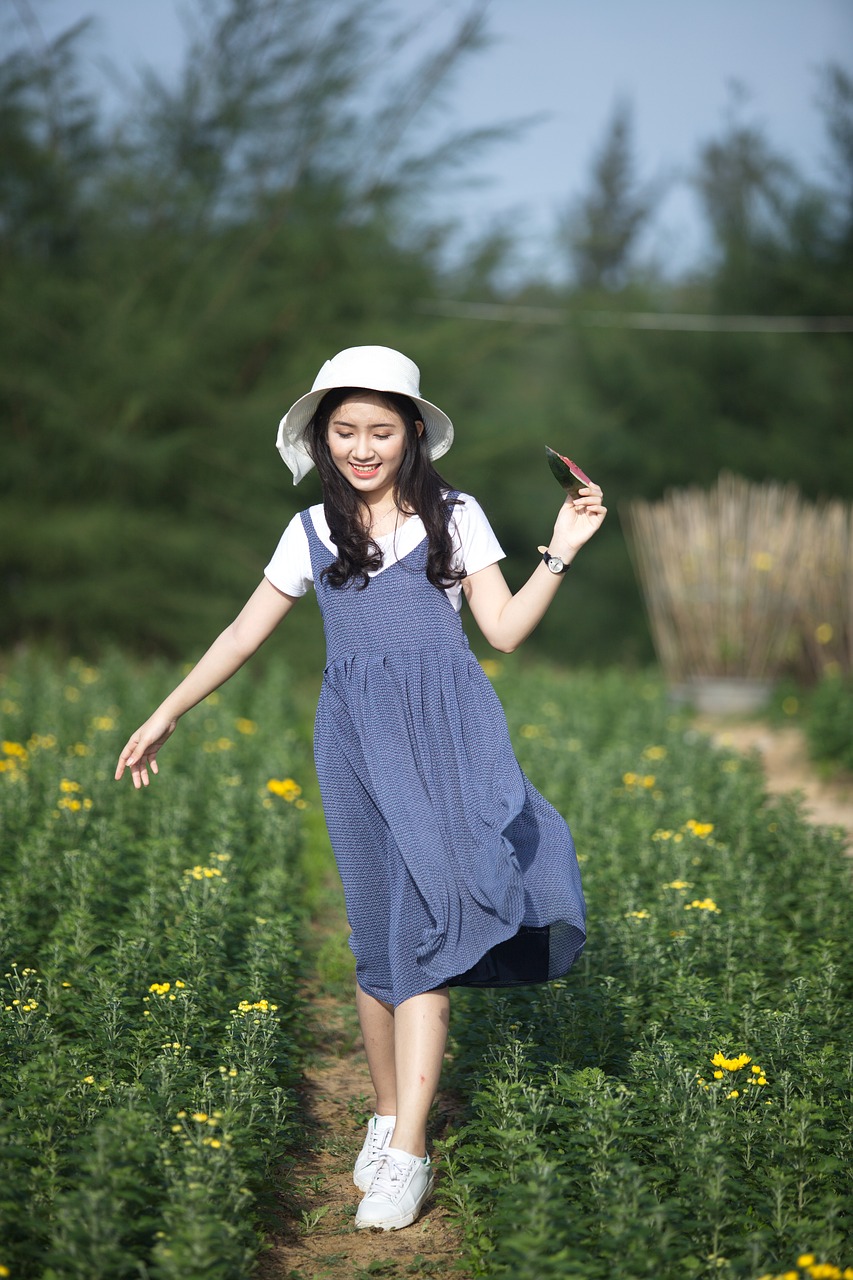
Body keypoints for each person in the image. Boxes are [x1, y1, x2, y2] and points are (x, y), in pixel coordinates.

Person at [115, 345, 606, 1232]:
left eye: (380, 429)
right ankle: (386, 1115)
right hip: (355, 744)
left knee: (430, 923)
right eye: (344, 430)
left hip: (449, 738)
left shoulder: (457, 514)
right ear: (321, 435)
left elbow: (500, 632)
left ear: (414, 433)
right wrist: (167, 712)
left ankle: (409, 1152)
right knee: (379, 929)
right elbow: (240, 632)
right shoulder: (307, 531)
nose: (362, 446)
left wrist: (560, 553)